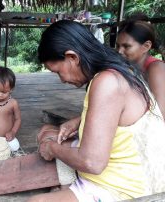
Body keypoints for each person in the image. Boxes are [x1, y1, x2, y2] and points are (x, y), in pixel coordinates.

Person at [28, 20, 165, 202]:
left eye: (58, 71)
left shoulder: (107, 82)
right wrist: (79, 120)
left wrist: (52, 148)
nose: (61, 80)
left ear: (73, 57)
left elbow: (92, 162)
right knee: (49, 131)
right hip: (137, 176)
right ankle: (67, 188)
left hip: (127, 191)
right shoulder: (122, 71)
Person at [116, 20, 165, 118]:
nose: (120, 51)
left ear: (146, 46)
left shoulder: (156, 68)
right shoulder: (130, 66)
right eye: (118, 46)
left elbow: (161, 113)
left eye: (126, 46)